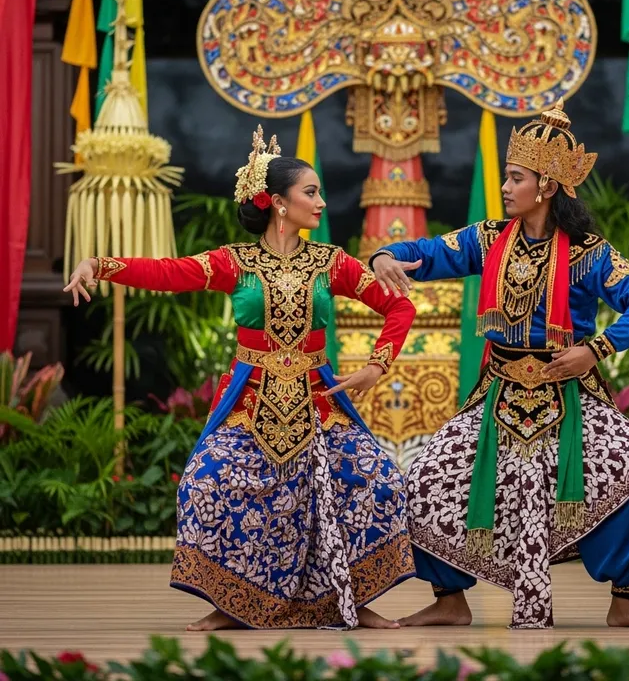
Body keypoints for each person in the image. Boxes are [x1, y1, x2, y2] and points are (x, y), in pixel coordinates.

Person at [64, 126, 417, 631]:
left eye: (318, 192)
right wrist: (99, 264)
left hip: (319, 404)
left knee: (375, 481)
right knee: (205, 482)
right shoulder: (236, 262)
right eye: (310, 192)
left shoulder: (331, 263)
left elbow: (398, 305)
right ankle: (229, 603)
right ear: (278, 203)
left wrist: (376, 365)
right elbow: (169, 272)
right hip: (250, 404)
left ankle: (352, 601)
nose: (320, 202)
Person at [370, 100, 629, 630]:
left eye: (515, 178)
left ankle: (624, 600)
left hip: (569, 396)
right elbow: (425, 251)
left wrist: (596, 348)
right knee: (420, 482)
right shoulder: (487, 241)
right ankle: (449, 599)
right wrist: (384, 257)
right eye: (507, 177)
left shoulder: (588, 252)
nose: (505, 187)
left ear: (547, 186)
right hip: (498, 393)